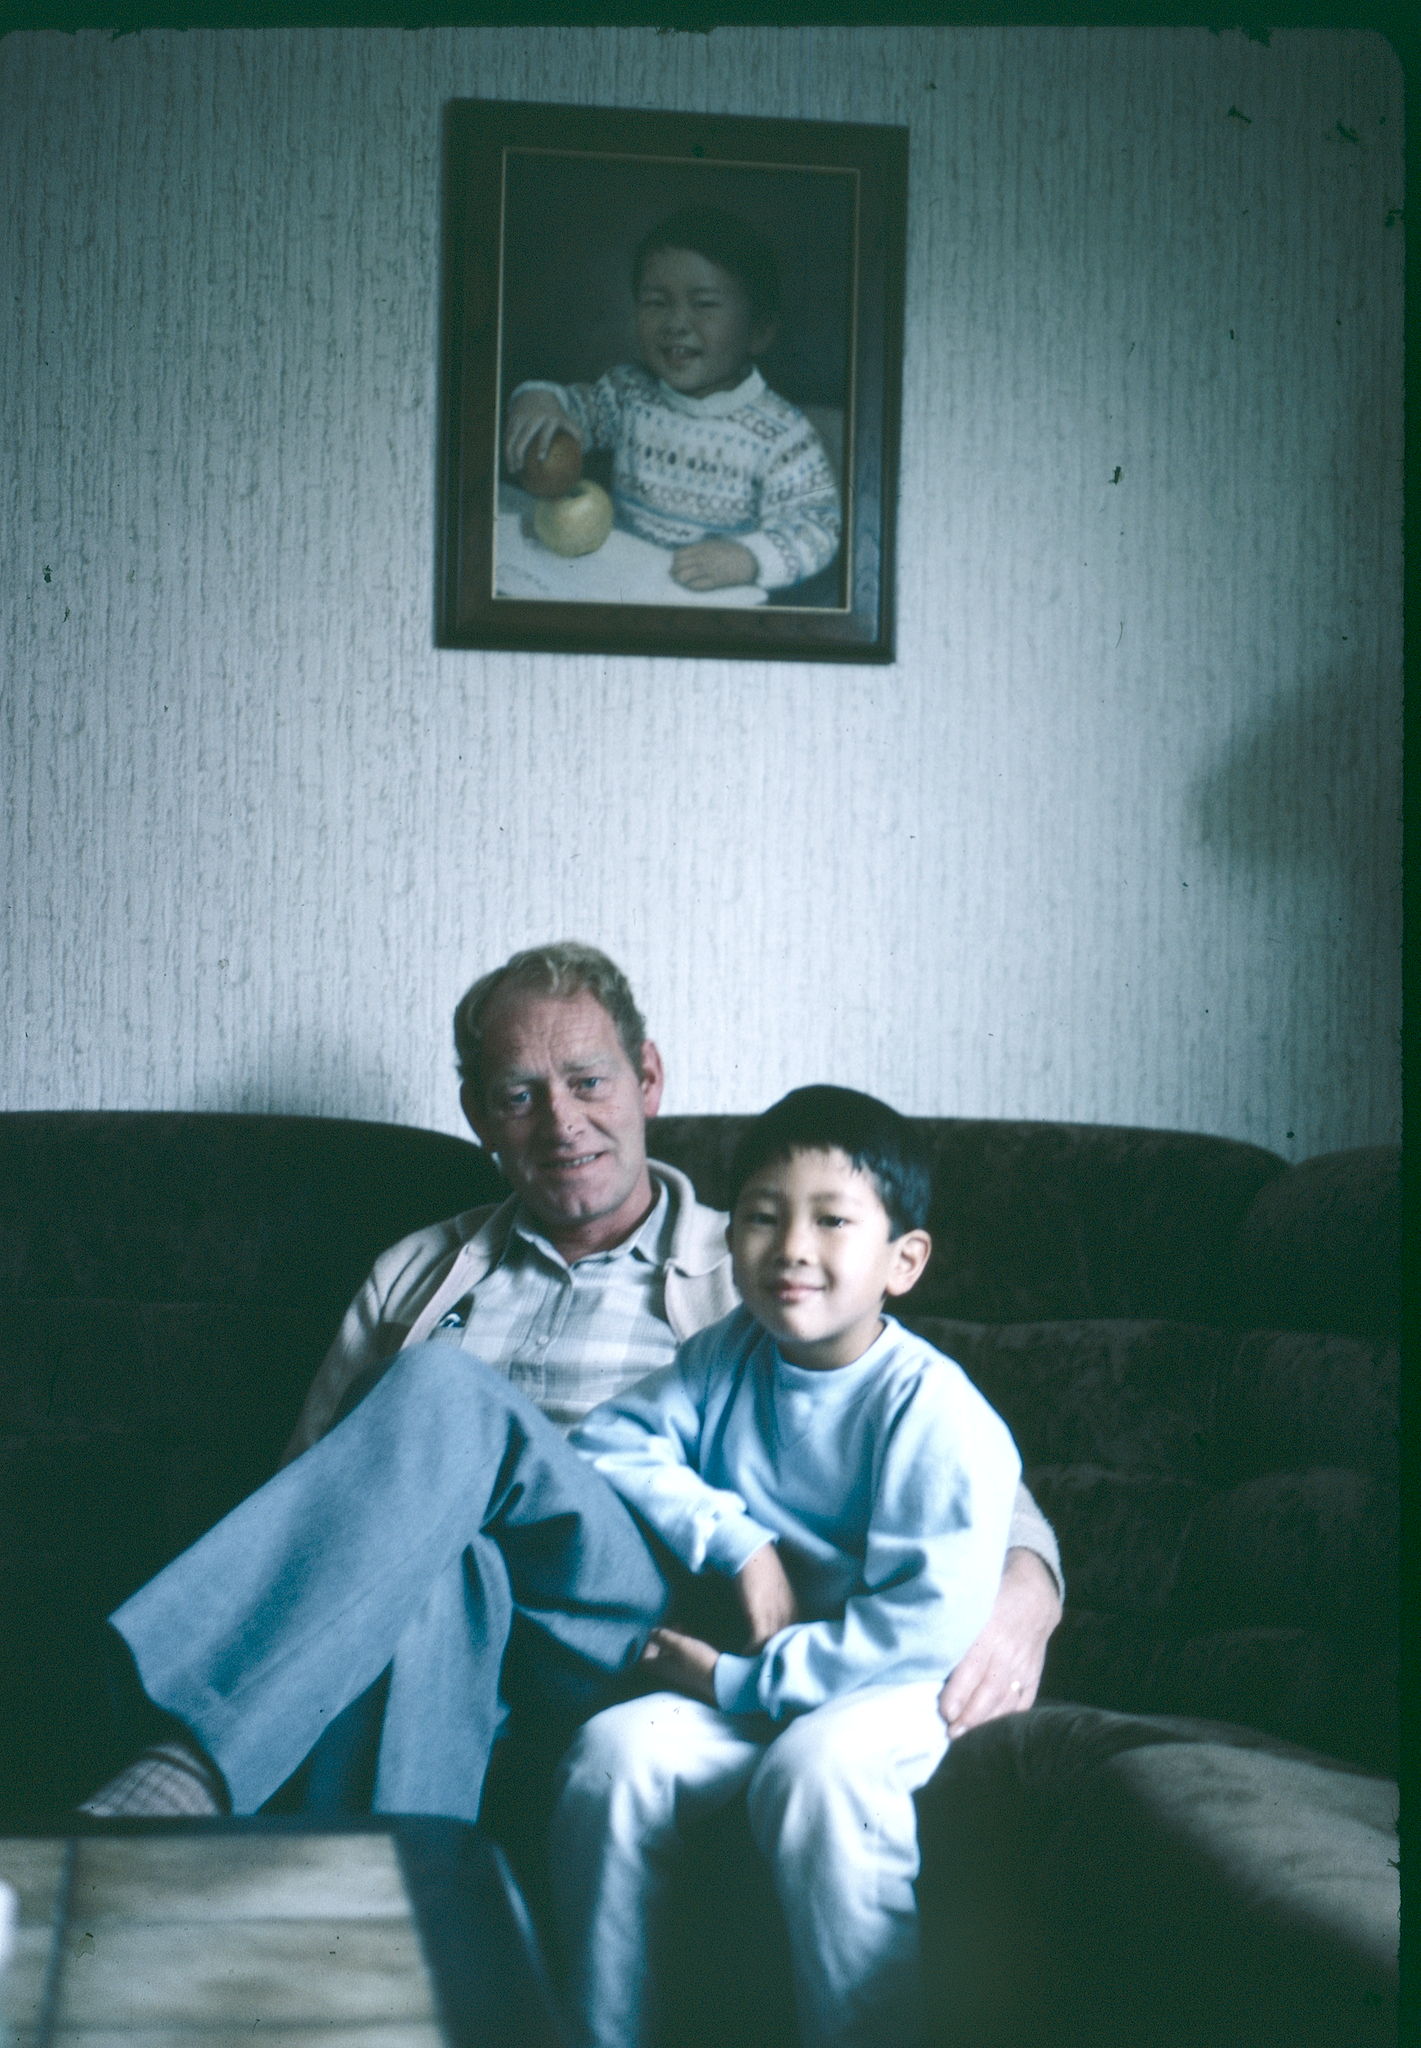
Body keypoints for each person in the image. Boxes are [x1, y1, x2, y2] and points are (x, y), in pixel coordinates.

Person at [79, 943, 1061, 1827]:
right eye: (518, 1095)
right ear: (479, 1118)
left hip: (639, 1611)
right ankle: (410, 1929)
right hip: (462, 1603)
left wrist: (1028, 1590)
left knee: (442, 1388)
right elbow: (316, 1495)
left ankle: (182, 1766)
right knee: (444, 1575)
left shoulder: (762, 1259)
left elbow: (951, 1456)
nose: (560, 1122)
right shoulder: (411, 1274)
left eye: (588, 1080)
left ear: (647, 1079)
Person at [550, 1086, 1021, 2048]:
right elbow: (605, 1445)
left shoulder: (934, 1410)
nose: (792, 1247)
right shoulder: (724, 1357)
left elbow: (923, 1628)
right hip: (760, 1677)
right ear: (731, 1240)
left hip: (887, 1684)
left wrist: (736, 1681)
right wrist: (738, 1541)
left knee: (816, 1774)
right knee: (611, 1759)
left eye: (831, 1221)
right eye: (763, 1217)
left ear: (903, 1261)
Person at [503, 207, 842, 595]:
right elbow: (571, 413)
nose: (676, 323)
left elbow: (818, 526)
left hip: (712, 603)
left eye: (704, 304)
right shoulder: (629, 392)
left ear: (759, 332)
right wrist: (538, 398)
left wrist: (749, 559)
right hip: (622, 583)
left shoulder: (783, 434)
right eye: (656, 303)